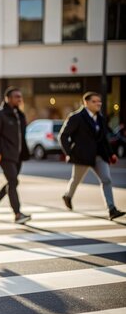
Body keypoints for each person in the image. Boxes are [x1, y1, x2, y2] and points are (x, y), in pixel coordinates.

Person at [59, 91, 125, 220]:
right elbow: (63, 135)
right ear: (86, 103)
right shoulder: (76, 117)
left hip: (99, 155)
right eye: (94, 101)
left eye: (99, 101)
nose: (98, 103)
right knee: (76, 180)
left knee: (106, 179)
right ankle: (68, 196)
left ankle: (111, 209)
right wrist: (69, 153)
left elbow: (104, 139)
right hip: (82, 157)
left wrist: (111, 154)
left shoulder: (100, 118)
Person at [0, 87, 32, 224]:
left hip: (17, 155)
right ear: (8, 98)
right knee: (13, 181)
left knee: (13, 181)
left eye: (20, 96)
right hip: (5, 154)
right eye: (16, 96)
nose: (19, 99)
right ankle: (17, 214)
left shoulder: (20, 115)